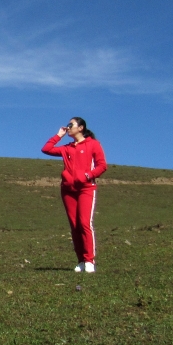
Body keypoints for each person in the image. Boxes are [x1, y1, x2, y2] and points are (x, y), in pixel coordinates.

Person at [42, 117, 107, 273]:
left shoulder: (93, 144)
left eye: (71, 125)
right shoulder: (67, 148)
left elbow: (102, 165)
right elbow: (46, 149)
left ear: (81, 128)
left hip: (86, 188)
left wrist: (87, 176)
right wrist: (59, 135)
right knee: (75, 226)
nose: (68, 126)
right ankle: (81, 261)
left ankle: (89, 260)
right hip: (68, 190)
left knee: (85, 223)